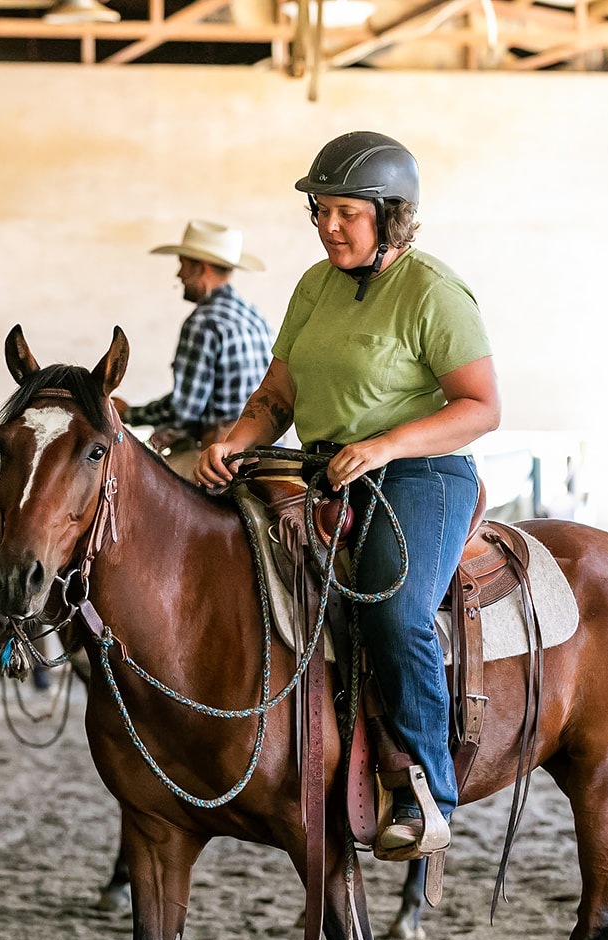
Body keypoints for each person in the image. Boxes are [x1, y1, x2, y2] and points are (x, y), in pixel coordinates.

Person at [197, 132, 501, 858]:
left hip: (421, 474)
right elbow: (278, 394)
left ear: (392, 217)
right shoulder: (313, 286)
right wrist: (238, 438)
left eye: (345, 213)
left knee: (395, 610)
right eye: (320, 212)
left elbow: (481, 406)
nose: (329, 226)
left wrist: (387, 444)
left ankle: (428, 787)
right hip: (323, 473)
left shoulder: (434, 291)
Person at [125, 220, 273, 479]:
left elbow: (185, 410)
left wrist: (130, 413)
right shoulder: (254, 316)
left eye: (183, 265)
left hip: (221, 454)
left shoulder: (203, 323)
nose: (179, 276)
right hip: (265, 452)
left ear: (200, 267)